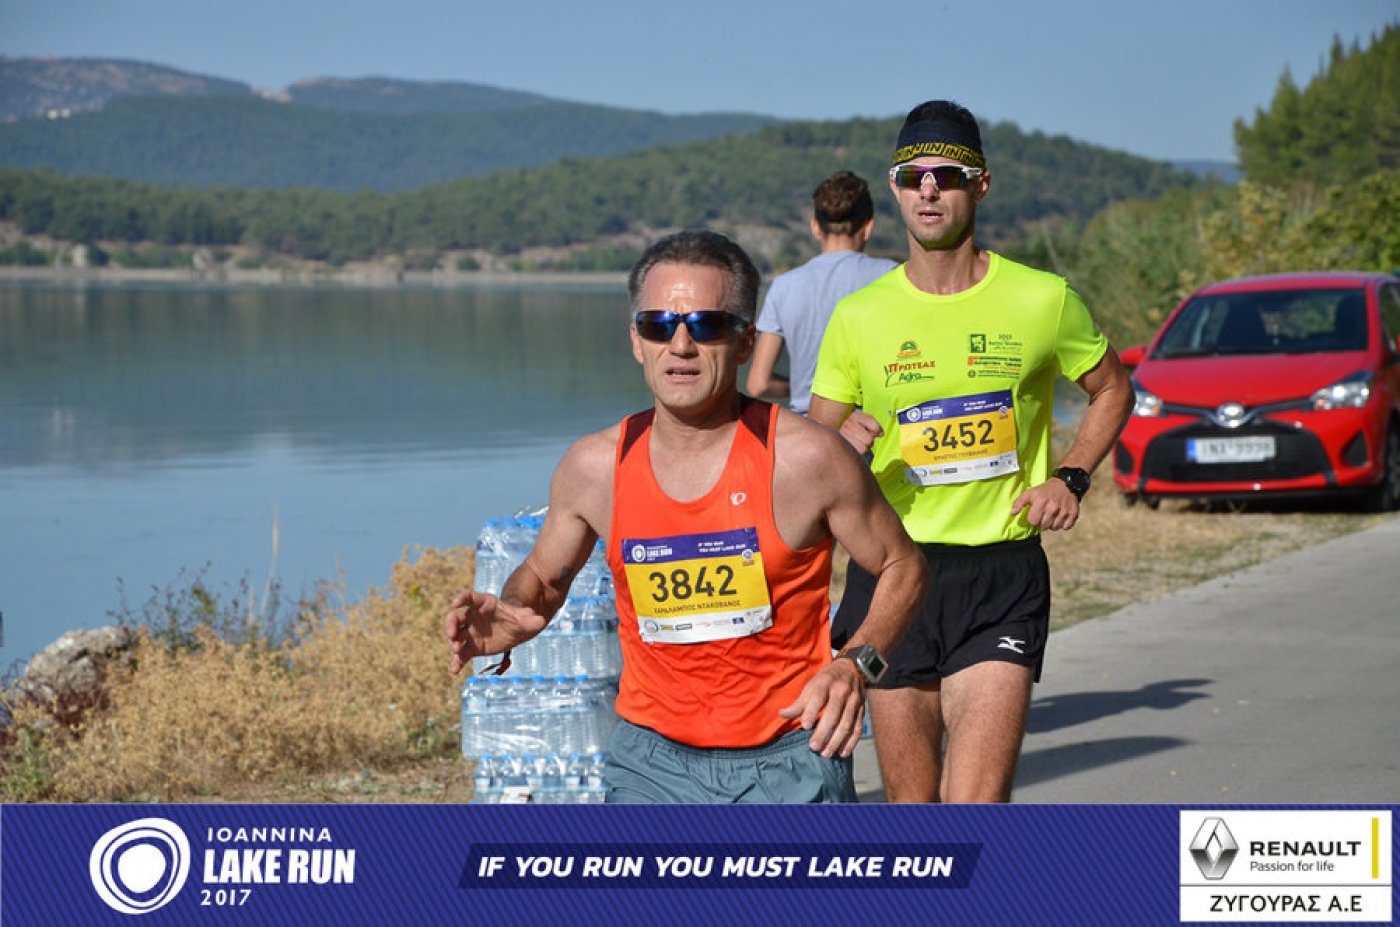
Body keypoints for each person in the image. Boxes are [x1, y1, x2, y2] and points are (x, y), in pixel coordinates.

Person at [445, 229, 928, 804]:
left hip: (790, 758)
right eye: (659, 325)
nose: (680, 345)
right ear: (636, 341)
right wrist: (512, 613)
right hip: (650, 767)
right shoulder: (595, 467)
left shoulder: (808, 458)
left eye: (706, 325)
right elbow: (544, 579)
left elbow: (903, 566)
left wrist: (856, 665)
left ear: (745, 342)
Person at [809, 100, 1133, 804]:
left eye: (948, 176)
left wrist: (1072, 476)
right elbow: (812, 445)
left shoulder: (1042, 299)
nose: (929, 190)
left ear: (980, 185)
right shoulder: (860, 316)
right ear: (895, 189)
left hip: (1000, 576)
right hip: (891, 573)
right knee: (912, 810)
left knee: (978, 807)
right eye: (913, 176)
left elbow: (1113, 388)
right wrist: (839, 439)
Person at [746, 171, 896, 414]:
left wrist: (803, 389)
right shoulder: (890, 277)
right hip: (871, 427)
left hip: (808, 428)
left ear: (816, 227)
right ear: (868, 227)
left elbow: (758, 385)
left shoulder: (784, 286)